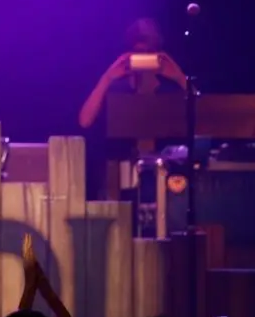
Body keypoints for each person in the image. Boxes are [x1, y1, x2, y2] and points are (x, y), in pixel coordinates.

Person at [77, 18, 187, 199]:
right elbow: (85, 120)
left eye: (149, 52)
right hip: (118, 180)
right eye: (138, 52)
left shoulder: (169, 90)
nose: (144, 58)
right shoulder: (117, 88)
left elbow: (206, 117)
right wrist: (107, 78)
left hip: (163, 179)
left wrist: (180, 78)